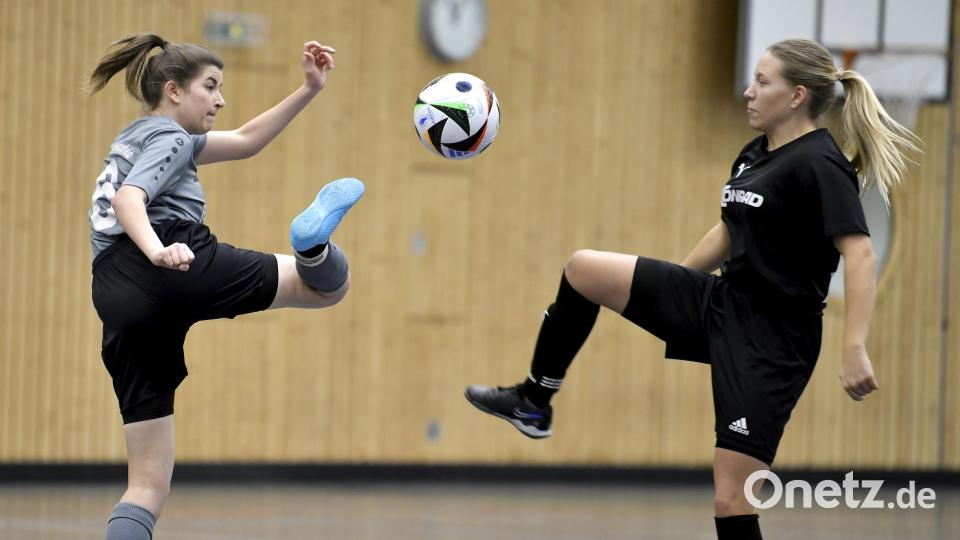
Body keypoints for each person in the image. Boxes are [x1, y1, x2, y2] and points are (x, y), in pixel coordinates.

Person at [465, 38, 920, 540]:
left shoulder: (820, 163)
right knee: (583, 269)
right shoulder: (755, 154)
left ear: (796, 96)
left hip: (772, 341)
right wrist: (672, 286)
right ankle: (534, 402)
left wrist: (854, 346)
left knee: (730, 499)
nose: (748, 92)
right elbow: (730, 231)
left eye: (762, 82)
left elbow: (860, 253)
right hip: (720, 302)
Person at [87, 34, 364, 539]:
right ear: (173, 90)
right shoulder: (170, 139)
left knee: (146, 484)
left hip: (113, 291)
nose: (220, 99)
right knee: (325, 287)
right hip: (171, 257)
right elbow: (131, 200)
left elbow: (248, 139)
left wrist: (309, 89)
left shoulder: (136, 137)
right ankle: (312, 248)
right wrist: (159, 251)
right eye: (210, 87)